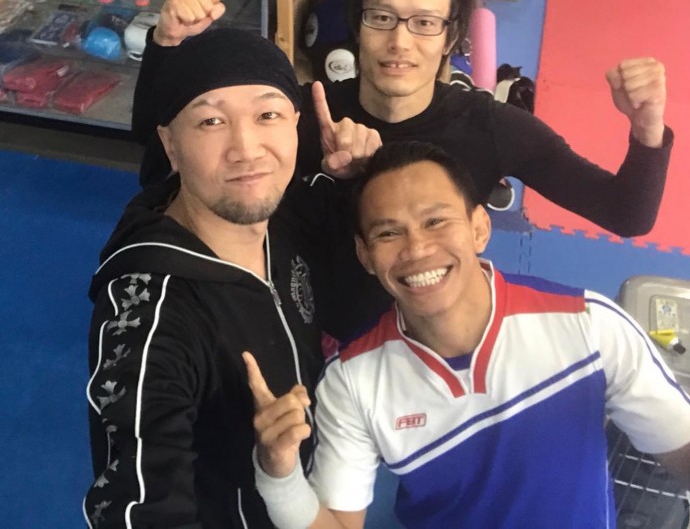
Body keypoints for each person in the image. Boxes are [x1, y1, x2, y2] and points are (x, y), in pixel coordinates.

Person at [246, 141, 690, 529]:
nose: (417, 249)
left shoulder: (588, 324)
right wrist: (279, 474)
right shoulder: (352, 379)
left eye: (435, 222)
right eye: (389, 232)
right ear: (365, 255)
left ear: (479, 227)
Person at [132, 0, 672, 239]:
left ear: (451, 35)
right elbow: (162, 171)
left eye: (425, 23)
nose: (400, 42)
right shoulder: (302, 114)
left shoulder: (494, 128)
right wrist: (166, 45)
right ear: (357, 22)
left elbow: (625, 214)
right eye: (382, 17)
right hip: (302, 333)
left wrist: (647, 129)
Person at [83, 28, 381, 529]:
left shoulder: (283, 211)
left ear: (296, 126)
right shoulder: (149, 318)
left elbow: (364, 300)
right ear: (170, 145)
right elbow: (139, 506)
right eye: (211, 121)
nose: (246, 149)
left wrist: (359, 182)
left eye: (268, 115)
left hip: (306, 498)